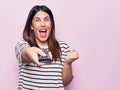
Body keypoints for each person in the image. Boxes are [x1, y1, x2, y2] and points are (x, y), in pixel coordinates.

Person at [15, 5, 79, 90]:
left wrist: (68, 63)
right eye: (37, 20)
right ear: (31, 26)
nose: (43, 24)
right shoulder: (23, 45)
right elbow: (24, 53)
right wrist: (30, 53)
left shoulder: (63, 47)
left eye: (46, 19)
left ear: (51, 24)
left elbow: (65, 82)